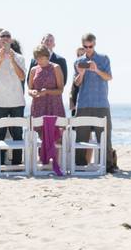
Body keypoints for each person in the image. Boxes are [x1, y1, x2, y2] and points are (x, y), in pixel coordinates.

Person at [73, 33, 116, 172]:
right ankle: (79, 165)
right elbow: (77, 83)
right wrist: (82, 73)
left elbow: (109, 77)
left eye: (90, 46)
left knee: (105, 137)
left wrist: (96, 69)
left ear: (94, 44)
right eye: (85, 47)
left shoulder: (103, 59)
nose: (88, 49)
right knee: (81, 137)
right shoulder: (78, 62)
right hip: (84, 104)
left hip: (101, 104)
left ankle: (109, 166)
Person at [0, 30, 26, 165]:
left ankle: (17, 163)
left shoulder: (19, 57)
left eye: (7, 36)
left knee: (17, 134)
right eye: (2, 36)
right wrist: (0, 60)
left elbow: (21, 76)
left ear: (11, 40)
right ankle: (0, 163)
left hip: (17, 101)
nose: (5, 38)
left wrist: (13, 60)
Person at [28, 44, 66, 118]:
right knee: (37, 129)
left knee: (55, 129)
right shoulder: (33, 70)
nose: (39, 61)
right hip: (38, 107)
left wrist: (46, 91)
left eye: (41, 58)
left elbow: (60, 90)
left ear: (47, 56)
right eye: (37, 58)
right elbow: (29, 89)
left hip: (54, 106)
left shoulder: (56, 68)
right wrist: (32, 92)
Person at [68, 46, 85, 115]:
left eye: (82, 55)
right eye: (78, 55)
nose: (80, 57)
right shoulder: (76, 70)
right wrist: (71, 101)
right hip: (76, 102)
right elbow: (73, 87)